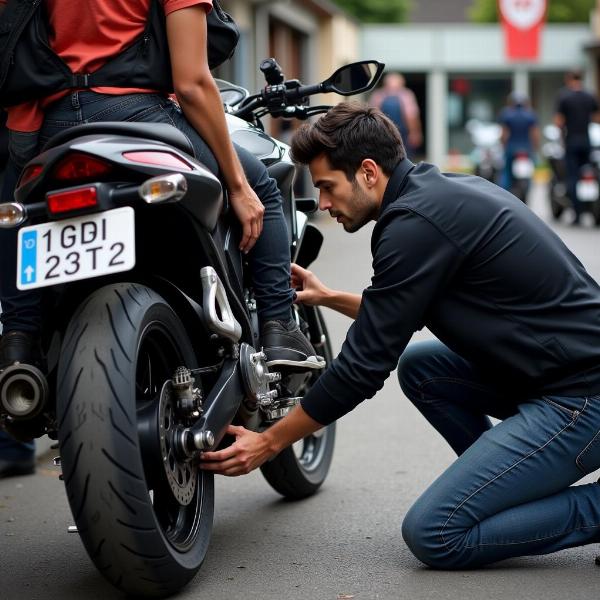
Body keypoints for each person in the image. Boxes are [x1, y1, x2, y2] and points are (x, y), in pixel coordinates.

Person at [201, 102, 600, 570]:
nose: (324, 204)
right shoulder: (431, 195)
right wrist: (329, 296)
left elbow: (361, 369)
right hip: (550, 375)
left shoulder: (414, 227)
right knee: (423, 368)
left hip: (581, 397)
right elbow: (399, 310)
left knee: (435, 532)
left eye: (328, 187)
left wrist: (269, 442)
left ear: (368, 172)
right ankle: (511, 484)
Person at [0, 0, 318, 473]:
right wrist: (236, 184)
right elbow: (191, 83)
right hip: (139, 113)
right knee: (264, 189)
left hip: (53, 128)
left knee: (19, 215)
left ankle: (19, 347)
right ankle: (278, 335)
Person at [554, 69, 600, 225]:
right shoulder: (589, 96)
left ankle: (578, 214)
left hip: (571, 141)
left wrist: (561, 136)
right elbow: (596, 118)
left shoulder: (564, 96)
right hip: (587, 142)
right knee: (590, 174)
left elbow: (559, 121)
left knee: (573, 178)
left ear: (568, 79)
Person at [369, 72, 422, 160]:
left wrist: (414, 133)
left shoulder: (378, 95)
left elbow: (371, 115)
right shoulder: (406, 95)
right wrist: (415, 133)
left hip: (395, 134)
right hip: (385, 133)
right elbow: (412, 116)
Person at [497, 90, 539, 192]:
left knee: (507, 173)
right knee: (529, 173)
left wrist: (503, 145)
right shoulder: (531, 114)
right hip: (527, 149)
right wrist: (535, 148)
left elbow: (504, 134)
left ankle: (504, 193)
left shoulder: (507, 114)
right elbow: (535, 134)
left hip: (511, 149)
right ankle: (527, 190)